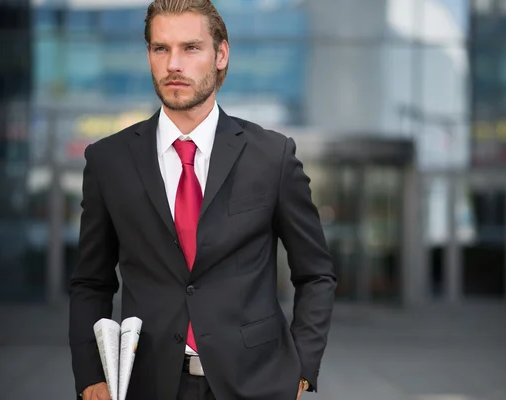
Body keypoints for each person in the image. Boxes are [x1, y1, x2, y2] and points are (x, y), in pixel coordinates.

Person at [68, 0, 337, 399]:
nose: (174, 63)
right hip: (149, 383)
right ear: (149, 55)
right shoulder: (109, 161)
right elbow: (91, 281)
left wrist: (301, 371)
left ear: (221, 54)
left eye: (190, 48)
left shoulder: (271, 157)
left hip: (257, 383)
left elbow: (316, 274)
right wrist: (92, 376)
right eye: (161, 49)